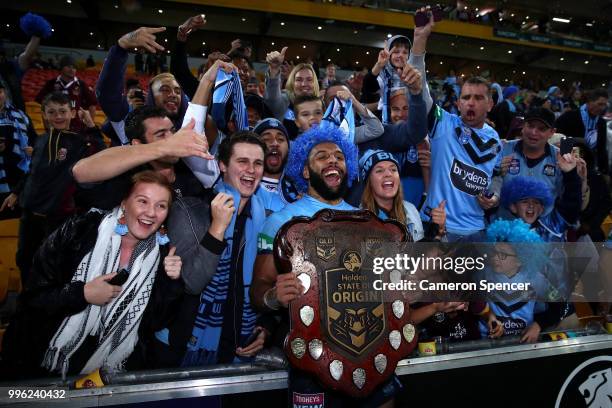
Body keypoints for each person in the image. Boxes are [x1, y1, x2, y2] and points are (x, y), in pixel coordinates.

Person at [252, 126, 404, 406]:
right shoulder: (281, 222)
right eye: (321, 156)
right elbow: (259, 291)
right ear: (305, 171)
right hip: (313, 362)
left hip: (371, 358)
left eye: (339, 156)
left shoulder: (367, 221)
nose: (333, 161)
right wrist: (274, 297)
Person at [1, 170, 184, 380]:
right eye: (143, 201)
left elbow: (155, 323)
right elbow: (32, 299)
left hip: (107, 375)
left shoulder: (162, 254)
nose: (151, 212)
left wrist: (172, 282)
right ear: (124, 203)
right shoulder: (80, 230)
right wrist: (82, 293)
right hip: (43, 364)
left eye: (161, 206)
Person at [150, 132, 268, 369]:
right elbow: (193, 282)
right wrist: (218, 227)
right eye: (242, 161)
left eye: (258, 163)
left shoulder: (265, 217)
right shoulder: (190, 210)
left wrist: (265, 327)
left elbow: (264, 282)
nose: (251, 170)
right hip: (183, 346)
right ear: (222, 165)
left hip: (238, 343)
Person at [16, 92, 105, 283]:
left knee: (54, 264)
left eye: (63, 111)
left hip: (59, 216)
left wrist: (90, 125)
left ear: (72, 113)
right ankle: (27, 303)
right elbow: (32, 171)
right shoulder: (40, 140)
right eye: (52, 112)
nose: (58, 116)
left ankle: (53, 308)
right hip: (30, 214)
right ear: (45, 115)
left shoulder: (80, 141)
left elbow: (102, 155)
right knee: (24, 258)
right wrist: (16, 192)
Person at [358, 149, 444, 241]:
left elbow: (421, 252)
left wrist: (438, 231)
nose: (388, 174)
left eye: (393, 169)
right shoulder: (358, 220)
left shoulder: (411, 210)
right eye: (379, 170)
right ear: (369, 182)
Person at [492, 107, 563, 217]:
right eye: (530, 126)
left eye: (542, 129)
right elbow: (487, 187)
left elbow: (569, 200)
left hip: (543, 230)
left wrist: (575, 177)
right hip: (504, 228)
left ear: (552, 132)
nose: (534, 132)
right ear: (523, 126)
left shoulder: (560, 158)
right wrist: (495, 172)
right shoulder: (503, 149)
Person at [0, 82, 36, 220]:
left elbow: (34, 142)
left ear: (4, 93)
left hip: (18, 182)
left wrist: (34, 151)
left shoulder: (21, 116)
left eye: (0, 91)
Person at [35, 55, 97, 133]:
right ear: (61, 67)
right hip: (55, 128)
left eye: (74, 67)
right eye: (69, 66)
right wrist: (47, 128)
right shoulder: (51, 84)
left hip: (77, 129)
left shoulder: (81, 84)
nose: (72, 70)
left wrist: (89, 125)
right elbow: (43, 106)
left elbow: (92, 104)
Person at [555, 89, 609, 175]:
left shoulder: (601, 122)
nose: (602, 108)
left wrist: (605, 172)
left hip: (590, 167)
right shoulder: (569, 117)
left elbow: (601, 149)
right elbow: (558, 139)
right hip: (567, 165)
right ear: (589, 102)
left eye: (605, 105)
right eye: (600, 104)